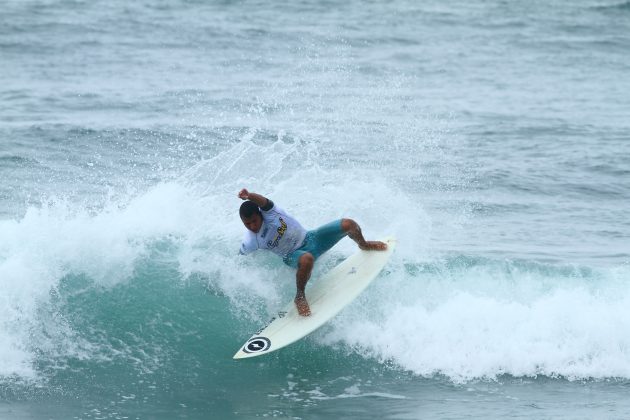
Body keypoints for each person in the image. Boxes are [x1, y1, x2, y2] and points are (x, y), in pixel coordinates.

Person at [238, 188, 387, 317]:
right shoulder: (251, 240)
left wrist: (249, 195)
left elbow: (263, 201)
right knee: (307, 259)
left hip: (312, 239)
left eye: (254, 221)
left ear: (260, 215)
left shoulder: (271, 213)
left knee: (349, 224)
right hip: (292, 256)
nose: (252, 226)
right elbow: (241, 258)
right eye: (247, 224)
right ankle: (300, 296)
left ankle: (364, 245)